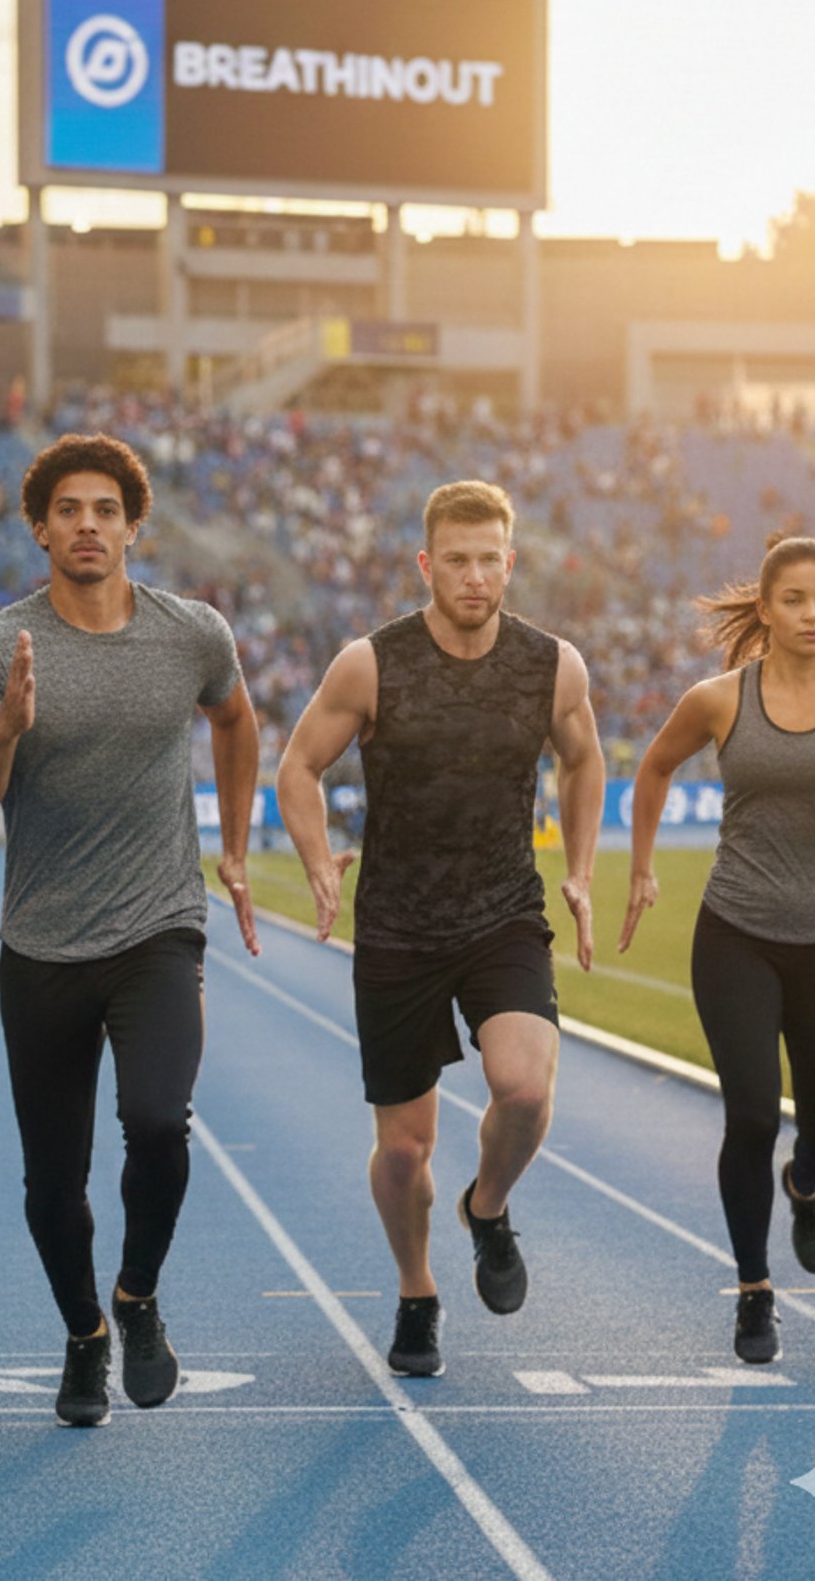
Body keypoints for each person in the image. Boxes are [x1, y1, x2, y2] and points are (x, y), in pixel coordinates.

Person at [0, 433, 261, 1429]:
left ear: (132, 525)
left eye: (106, 509)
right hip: (40, 942)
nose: (88, 523)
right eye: (68, 509)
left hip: (161, 923)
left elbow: (237, 721)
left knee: (162, 1120)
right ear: (39, 527)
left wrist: (237, 845)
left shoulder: (192, 632)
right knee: (54, 1179)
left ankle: (136, 1296)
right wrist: (5, 730)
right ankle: (84, 1333)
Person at [277, 480, 603, 1379]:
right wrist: (315, 857)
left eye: (487, 558)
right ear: (426, 564)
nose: (472, 575)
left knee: (526, 1091)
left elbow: (584, 758)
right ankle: (418, 1290)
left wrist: (577, 870)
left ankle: (487, 1210)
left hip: (503, 913)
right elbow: (299, 766)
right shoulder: (370, 664)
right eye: (454, 560)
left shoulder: (553, 666)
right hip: (397, 927)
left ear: (510, 562)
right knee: (403, 1149)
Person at [619, 535, 815, 1363]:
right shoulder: (719, 699)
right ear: (765, 608)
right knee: (751, 1112)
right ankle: (755, 1293)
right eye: (795, 600)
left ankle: (804, 1184)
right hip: (736, 935)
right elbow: (653, 769)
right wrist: (641, 868)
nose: (814, 614)